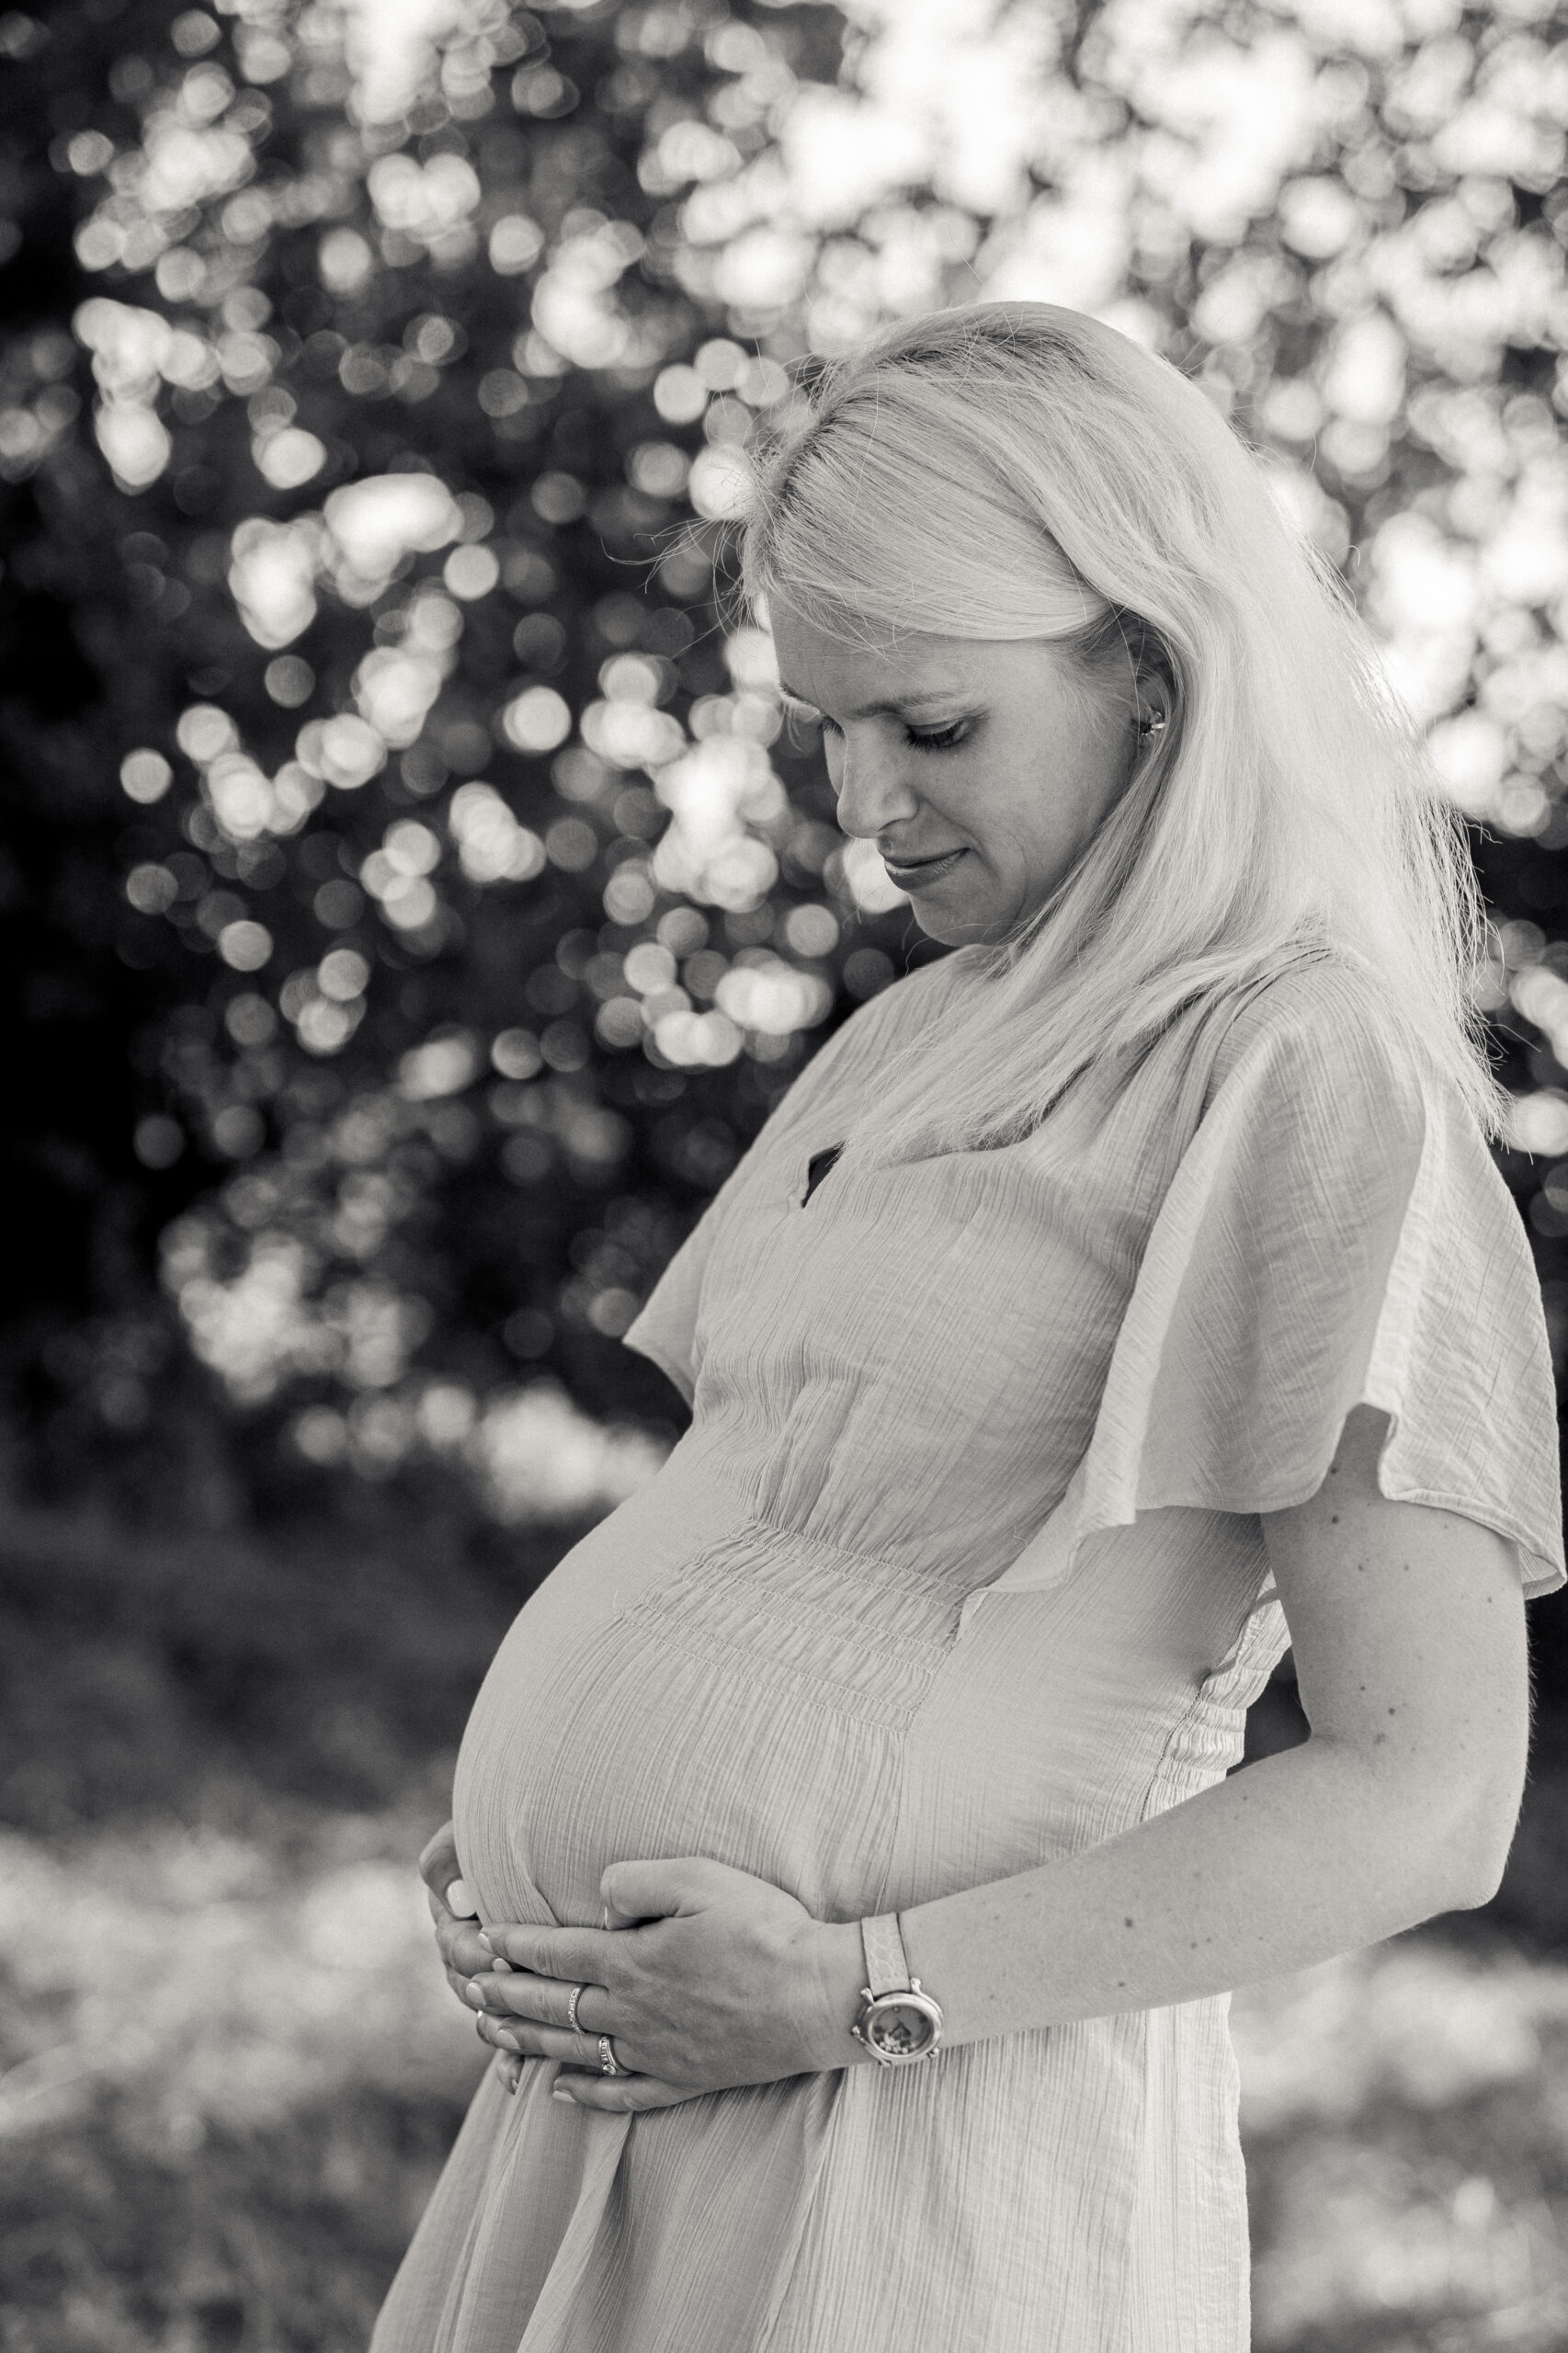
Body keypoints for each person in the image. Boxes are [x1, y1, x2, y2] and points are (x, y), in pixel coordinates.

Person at [369, 303, 1563, 2353]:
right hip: (622, 2104)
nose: (865, 806)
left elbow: (1425, 1792)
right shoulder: (917, 1031)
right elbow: (780, 1519)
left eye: (930, 728)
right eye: (824, 725)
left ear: (1153, 678)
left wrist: (850, 1985)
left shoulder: (1300, 1072)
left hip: (917, 2153)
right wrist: (537, 1839)